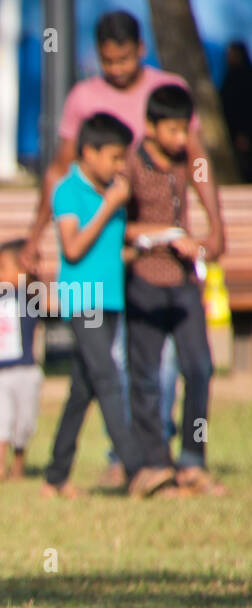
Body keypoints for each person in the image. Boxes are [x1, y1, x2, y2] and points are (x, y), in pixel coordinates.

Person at [21, 11, 224, 488]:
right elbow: (59, 171)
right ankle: (138, 461)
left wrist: (216, 225)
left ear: (142, 49)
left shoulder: (166, 91)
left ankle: (174, 459)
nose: (115, 69)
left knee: (167, 367)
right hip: (122, 254)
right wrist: (35, 232)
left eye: (124, 59)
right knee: (124, 369)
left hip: (152, 258)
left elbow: (197, 160)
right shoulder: (84, 98)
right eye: (107, 61)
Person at [41, 114, 174, 500]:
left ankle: (54, 476)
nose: (120, 167)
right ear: (89, 152)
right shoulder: (68, 191)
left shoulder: (110, 194)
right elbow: (74, 248)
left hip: (111, 298)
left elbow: (110, 252)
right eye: (115, 158)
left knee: (83, 389)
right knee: (109, 379)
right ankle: (137, 470)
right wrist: (109, 206)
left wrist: (157, 244)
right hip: (84, 299)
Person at [124, 84, 226, 496]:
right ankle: (154, 463)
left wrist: (204, 241)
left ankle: (192, 460)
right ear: (150, 127)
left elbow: (216, 228)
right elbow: (117, 227)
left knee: (199, 369)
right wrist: (156, 234)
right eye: (172, 130)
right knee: (146, 378)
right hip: (145, 282)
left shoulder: (190, 161)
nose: (181, 138)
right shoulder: (131, 163)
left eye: (186, 129)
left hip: (183, 283)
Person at [0, 240, 43, 482]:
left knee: (23, 422)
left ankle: (18, 466)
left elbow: (37, 287)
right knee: (0, 416)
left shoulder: (30, 296)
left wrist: (32, 270)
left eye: (2, 267)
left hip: (24, 371)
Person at [220, 42, 252, 184]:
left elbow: (244, 108)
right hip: (233, 134)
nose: (229, 58)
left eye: (232, 54)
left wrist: (244, 132)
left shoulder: (244, 79)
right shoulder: (229, 77)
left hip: (243, 135)